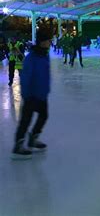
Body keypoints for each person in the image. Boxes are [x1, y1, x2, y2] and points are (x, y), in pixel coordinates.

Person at [11, 28, 52, 159]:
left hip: (42, 94)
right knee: (25, 121)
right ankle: (18, 146)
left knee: (44, 116)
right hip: (31, 95)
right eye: (47, 40)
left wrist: (46, 90)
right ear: (42, 42)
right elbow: (26, 77)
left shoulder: (45, 55)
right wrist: (26, 94)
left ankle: (33, 138)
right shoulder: (31, 58)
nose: (50, 42)